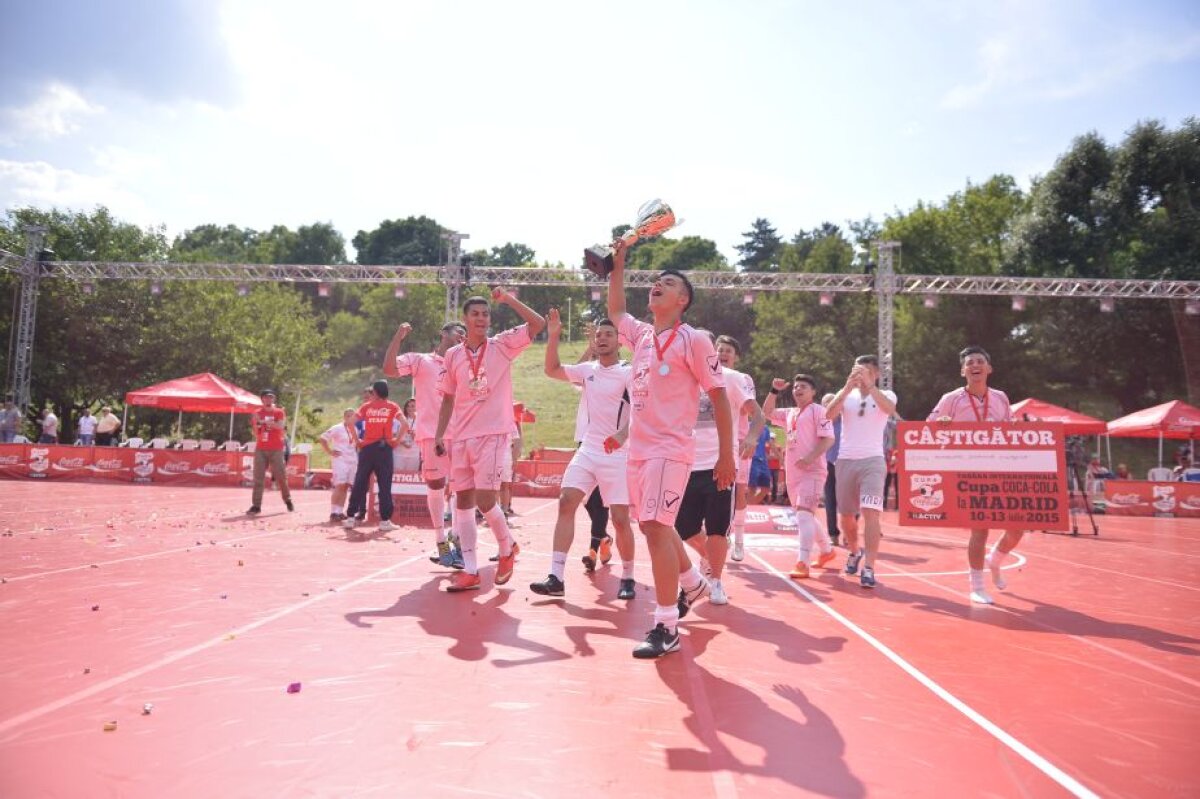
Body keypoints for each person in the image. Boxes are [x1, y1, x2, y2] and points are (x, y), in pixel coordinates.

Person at [608, 240, 733, 659]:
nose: (657, 285)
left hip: (670, 448)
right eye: (656, 281)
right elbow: (616, 311)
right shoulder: (642, 336)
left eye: (669, 283)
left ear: (683, 300)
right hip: (639, 451)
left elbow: (719, 397)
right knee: (652, 526)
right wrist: (618, 266)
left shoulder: (694, 340)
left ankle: (666, 626)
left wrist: (727, 456)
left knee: (658, 528)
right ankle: (693, 582)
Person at [435, 288, 545, 592]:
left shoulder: (502, 345)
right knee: (463, 502)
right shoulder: (453, 355)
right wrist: (440, 434)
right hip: (461, 437)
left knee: (485, 499)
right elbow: (448, 398)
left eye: (485, 314)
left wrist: (508, 299)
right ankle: (471, 571)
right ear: (465, 319)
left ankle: (506, 548)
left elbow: (537, 324)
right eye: (475, 314)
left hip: (493, 435)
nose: (481, 318)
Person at [530, 308, 637, 600]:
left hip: (618, 454)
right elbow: (552, 370)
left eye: (609, 334)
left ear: (619, 341)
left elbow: (642, 410)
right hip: (589, 449)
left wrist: (622, 435)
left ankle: (628, 576)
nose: (602, 338)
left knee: (620, 519)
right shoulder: (588, 370)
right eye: (599, 335)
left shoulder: (629, 372)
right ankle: (556, 577)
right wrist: (553, 335)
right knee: (566, 502)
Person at [928, 345, 1020, 604]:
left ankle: (995, 560)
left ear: (989, 368)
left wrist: (1021, 429)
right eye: (969, 363)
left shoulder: (1001, 397)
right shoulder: (951, 399)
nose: (975, 365)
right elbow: (928, 426)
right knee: (980, 530)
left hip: (1001, 468)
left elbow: (1010, 428)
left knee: (1018, 527)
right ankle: (977, 587)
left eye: (980, 361)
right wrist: (941, 425)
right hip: (970, 472)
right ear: (963, 371)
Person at [678, 330, 764, 604]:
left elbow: (758, 415)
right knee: (683, 527)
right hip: (684, 463)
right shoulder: (683, 377)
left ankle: (715, 581)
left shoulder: (733, 379)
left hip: (721, 464)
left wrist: (751, 437)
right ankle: (708, 559)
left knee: (717, 528)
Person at [383, 321, 467, 563]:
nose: (462, 336)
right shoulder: (420, 360)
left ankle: (458, 538)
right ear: (443, 334)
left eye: (465, 334)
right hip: (431, 434)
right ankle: (441, 541)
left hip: (462, 433)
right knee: (436, 485)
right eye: (458, 331)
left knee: (462, 489)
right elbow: (389, 369)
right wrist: (398, 337)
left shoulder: (465, 363)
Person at [825, 355, 898, 589]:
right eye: (857, 370)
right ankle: (855, 551)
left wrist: (870, 386)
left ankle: (869, 567)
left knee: (871, 512)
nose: (860, 374)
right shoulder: (847, 394)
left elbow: (889, 409)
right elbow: (828, 415)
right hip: (845, 460)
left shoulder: (886, 395)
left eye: (866, 370)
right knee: (846, 516)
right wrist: (847, 388)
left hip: (873, 461)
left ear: (876, 373)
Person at [763, 374, 837, 578]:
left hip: (812, 471)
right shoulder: (790, 413)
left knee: (804, 514)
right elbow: (766, 413)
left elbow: (828, 439)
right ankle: (827, 551)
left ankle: (802, 562)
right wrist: (774, 391)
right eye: (795, 387)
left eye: (803, 386)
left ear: (813, 392)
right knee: (805, 514)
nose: (798, 389)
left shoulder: (818, 411)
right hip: (793, 472)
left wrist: (809, 458)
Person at [715, 335, 767, 567]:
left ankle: (739, 540)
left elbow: (749, 410)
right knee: (714, 490)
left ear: (736, 357)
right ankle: (720, 534)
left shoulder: (741, 378)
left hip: (738, 441)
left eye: (728, 351)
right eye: (720, 350)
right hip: (712, 443)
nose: (723, 354)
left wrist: (751, 438)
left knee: (739, 491)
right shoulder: (704, 375)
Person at [344, 380, 402, 532]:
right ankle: (385, 521)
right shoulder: (392, 406)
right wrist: (396, 441)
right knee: (385, 485)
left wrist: (358, 441)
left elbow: (350, 423)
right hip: (385, 448)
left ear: (375, 392)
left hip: (367, 449)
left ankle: (350, 518)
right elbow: (405, 424)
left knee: (360, 482)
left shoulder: (366, 406)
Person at [247, 389, 294, 515]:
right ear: (262, 399)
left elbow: (280, 426)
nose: (269, 399)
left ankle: (287, 500)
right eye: (266, 397)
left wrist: (263, 422)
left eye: (271, 397)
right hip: (261, 448)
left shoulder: (279, 412)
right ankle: (256, 505)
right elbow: (256, 431)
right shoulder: (257, 413)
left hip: (276, 448)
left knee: (281, 476)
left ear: (274, 399)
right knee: (258, 478)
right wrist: (257, 424)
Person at [319, 409, 360, 521]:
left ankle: (340, 511)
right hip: (340, 460)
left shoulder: (355, 429)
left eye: (353, 416)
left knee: (346, 486)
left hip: (352, 460)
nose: (351, 418)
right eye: (349, 416)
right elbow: (323, 438)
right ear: (345, 417)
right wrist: (329, 451)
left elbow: (355, 445)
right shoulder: (337, 428)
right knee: (340, 485)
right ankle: (333, 512)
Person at [820, 393, 842, 546]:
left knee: (849, 501)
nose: (828, 405)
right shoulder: (820, 423)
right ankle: (833, 534)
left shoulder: (846, 421)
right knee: (830, 499)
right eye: (825, 403)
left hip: (845, 463)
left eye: (831, 402)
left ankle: (849, 530)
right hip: (827, 464)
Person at [747, 426, 773, 505]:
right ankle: (749, 506)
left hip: (763, 461)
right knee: (752, 487)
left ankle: (750, 504)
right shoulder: (750, 425)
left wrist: (780, 457)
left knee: (766, 488)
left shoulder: (766, 429)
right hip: (753, 459)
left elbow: (770, 443)